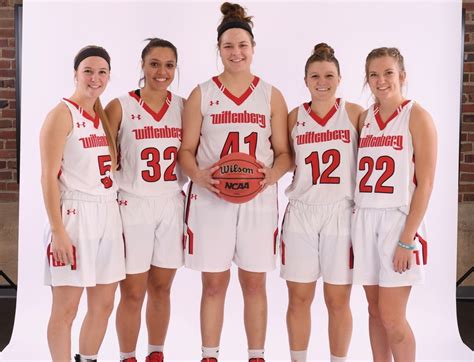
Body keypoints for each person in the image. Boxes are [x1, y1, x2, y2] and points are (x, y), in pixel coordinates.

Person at [177, 2, 291, 361]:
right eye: (228, 46)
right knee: (213, 284)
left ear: (253, 49)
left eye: (242, 45)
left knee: (254, 283)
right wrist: (199, 175)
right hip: (211, 200)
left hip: (258, 200)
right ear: (218, 50)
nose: (236, 52)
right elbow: (186, 151)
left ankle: (256, 355)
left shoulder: (271, 94)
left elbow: (285, 154)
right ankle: (209, 355)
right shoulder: (202, 93)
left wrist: (269, 176)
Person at [351, 47, 437, 362]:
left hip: (399, 223)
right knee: (374, 312)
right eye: (374, 74)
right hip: (365, 219)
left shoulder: (417, 116)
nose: (381, 80)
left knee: (392, 317)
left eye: (388, 72)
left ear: (402, 76)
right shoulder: (364, 119)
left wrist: (407, 238)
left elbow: (426, 183)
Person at [40, 45, 125, 362]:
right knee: (66, 308)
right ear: (75, 74)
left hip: (108, 213)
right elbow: (47, 178)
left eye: (102, 72)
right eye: (88, 71)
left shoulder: (102, 117)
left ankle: (86, 359)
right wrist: (58, 231)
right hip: (75, 217)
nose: (95, 77)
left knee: (104, 303)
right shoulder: (61, 114)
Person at [105, 38, 186, 362]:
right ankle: (127, 356)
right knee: (133, 291)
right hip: (132, 203)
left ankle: (156, 353)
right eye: (154, 63)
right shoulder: (120, 105)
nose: (161, 71)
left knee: (162, 289)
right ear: (142, 65)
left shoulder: (184, 105)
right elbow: (104, 158)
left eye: (168, 65)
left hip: (170, 203)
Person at [280, 43, 362, 362]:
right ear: (305, 80)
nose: (322, 81)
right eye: (315, 75)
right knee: (299, 299)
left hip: (341, 211)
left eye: (329, 75)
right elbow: (285, 159)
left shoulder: (354, 113)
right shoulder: (293, 117)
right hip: (301, 212)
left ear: (340, 78)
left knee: (338, 300)